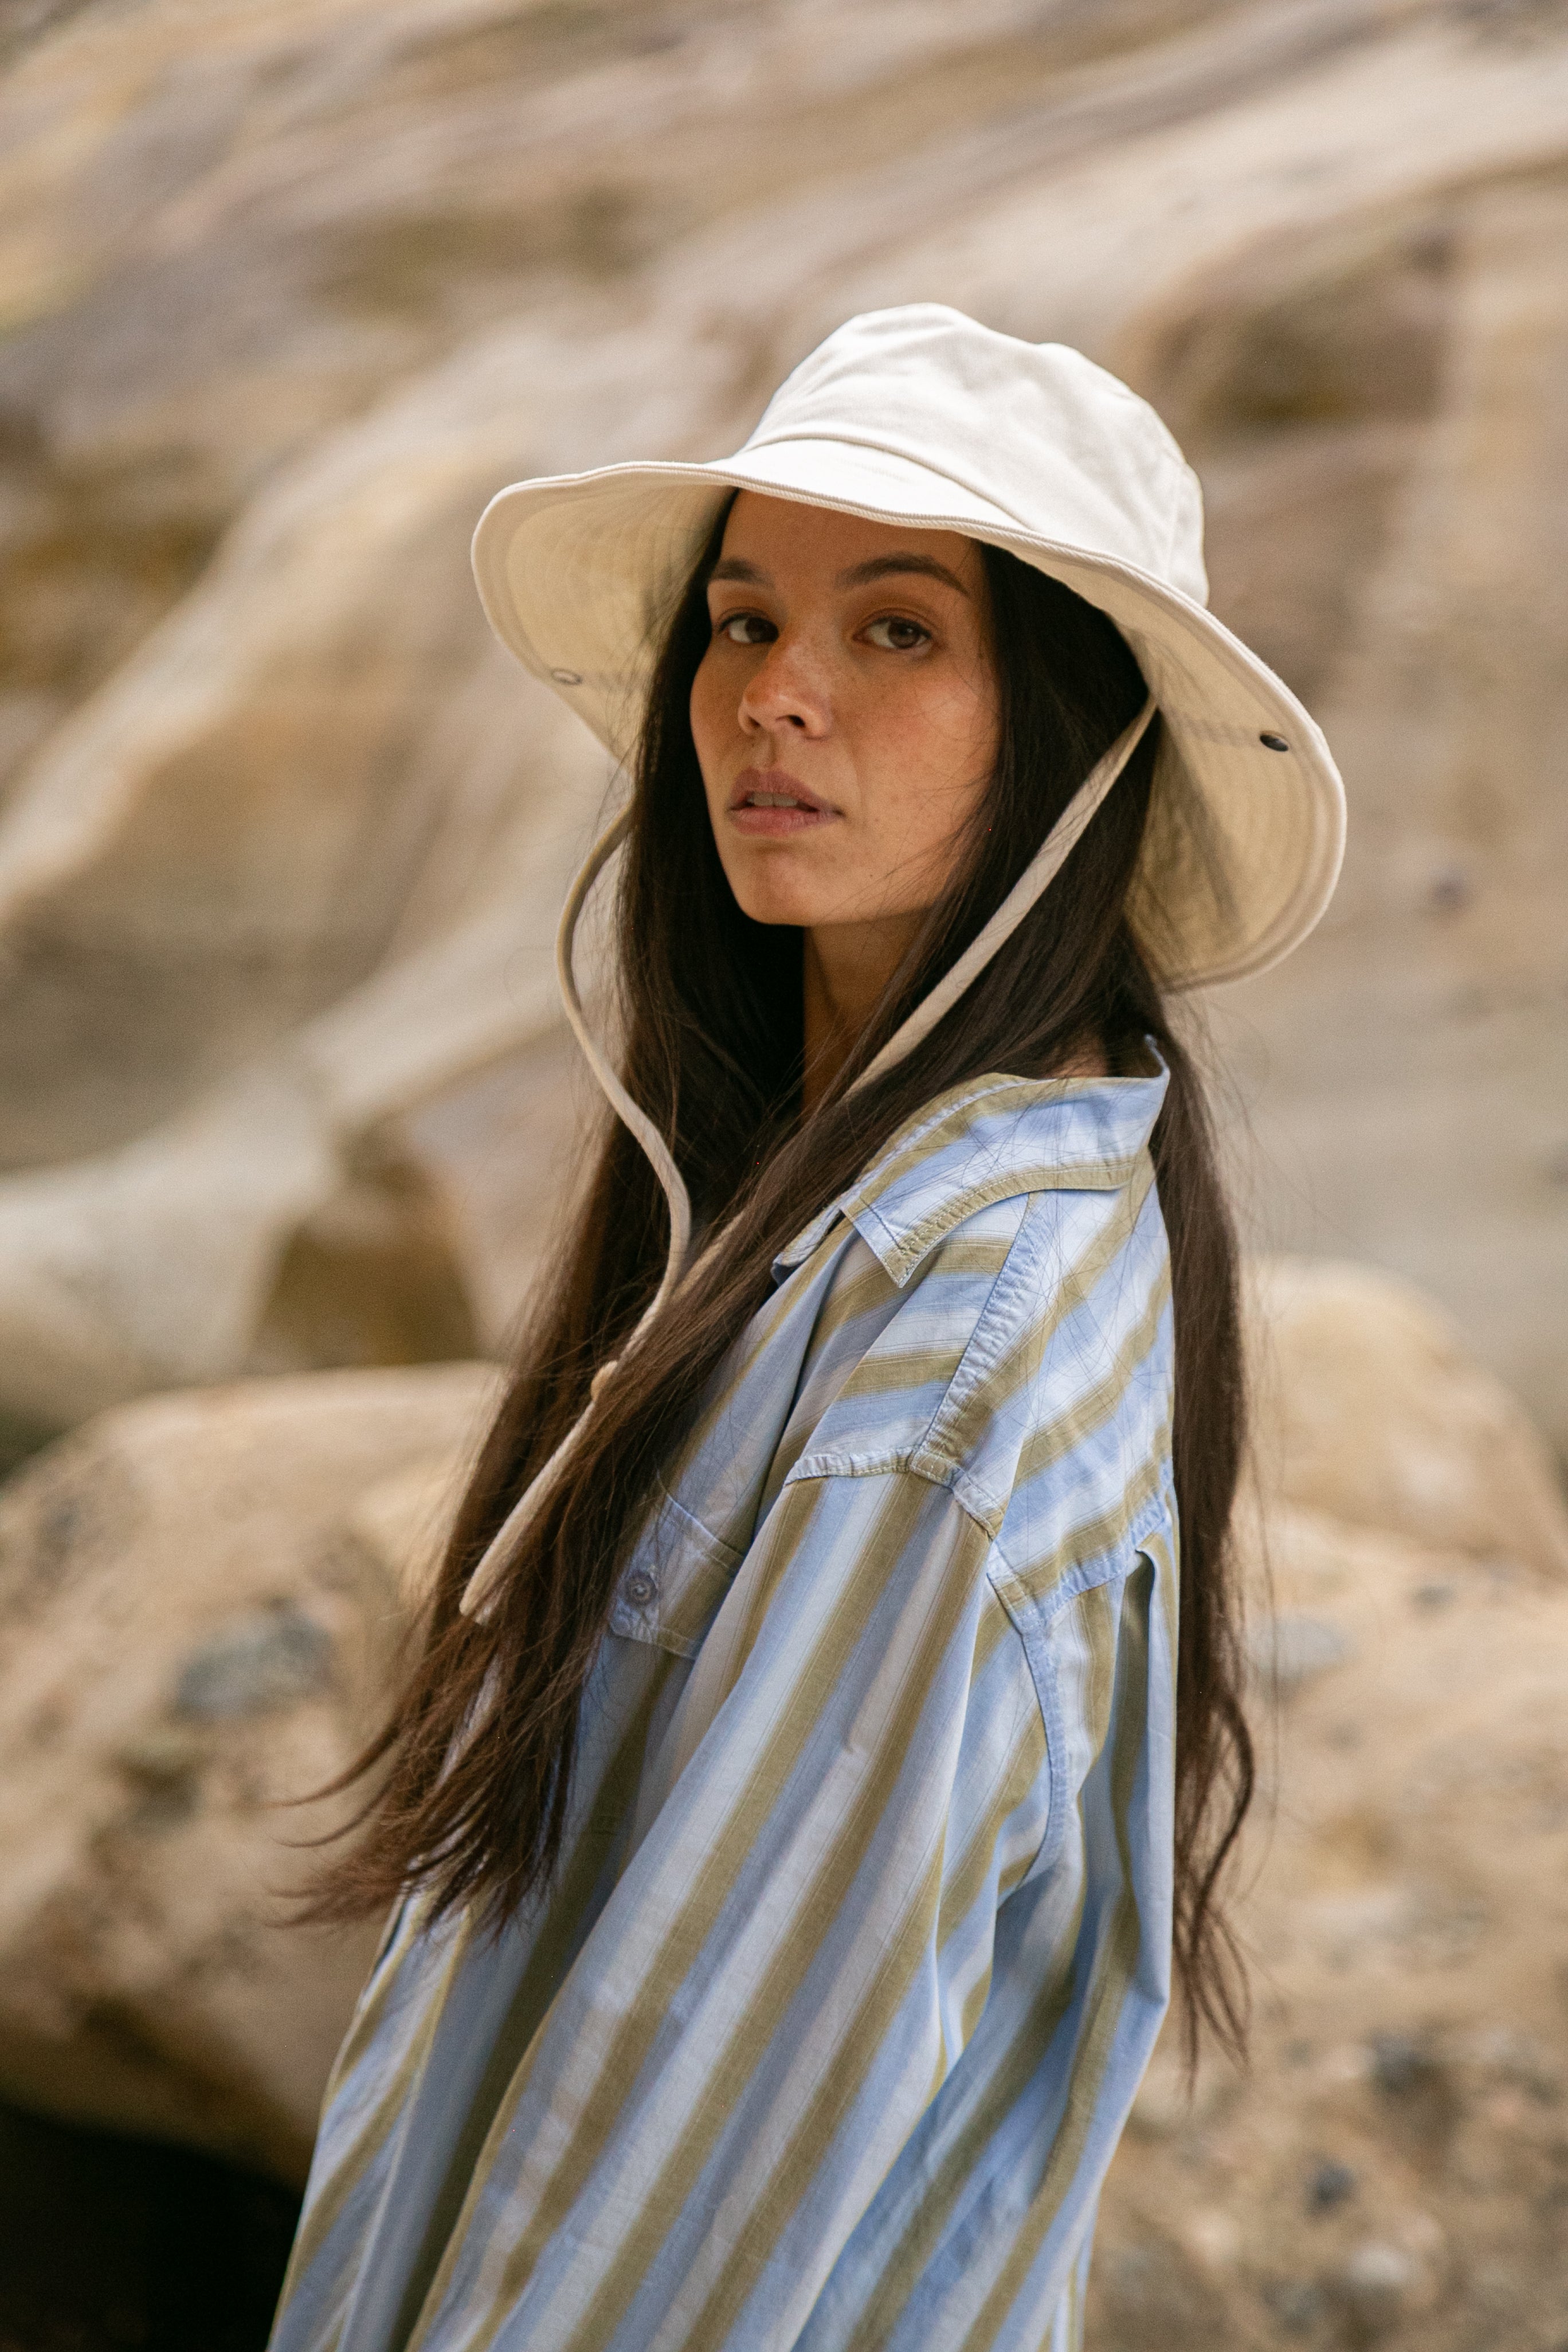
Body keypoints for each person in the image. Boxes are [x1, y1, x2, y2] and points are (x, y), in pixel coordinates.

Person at [271, 304, 1344, 2352]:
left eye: (897, 632)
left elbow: (697, 2129)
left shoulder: (953, 1351)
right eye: (744, 621)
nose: (776, 696)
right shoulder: (822, 1202)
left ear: (1076, 726)